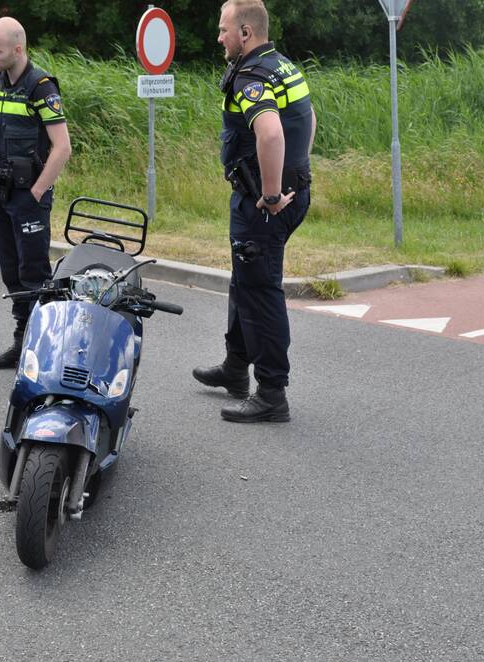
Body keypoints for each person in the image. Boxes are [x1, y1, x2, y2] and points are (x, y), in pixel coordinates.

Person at [193, 0, 316, 423]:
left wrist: (269, 193)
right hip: (291, 193)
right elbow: (309, 118)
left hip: (263, 203)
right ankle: (234, 367)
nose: (219, 37)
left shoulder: (251, 75)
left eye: (224, 29)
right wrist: (297, 176)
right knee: (245, 281)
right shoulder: (283, 66)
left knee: (261, 290)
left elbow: (269, 132)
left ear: (245, 33)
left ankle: (270, 393)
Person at [0, 17, 72, 369]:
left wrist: (38, 192)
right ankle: (21, 343)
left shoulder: (41, 87)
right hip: (0, 191)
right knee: (11, 272)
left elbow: (62, 147)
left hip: (29, 196)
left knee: (34, 273)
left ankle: (42, 350)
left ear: (17, 49)